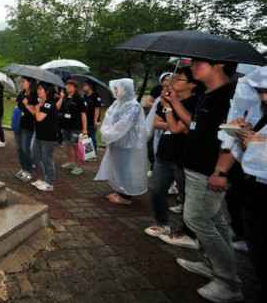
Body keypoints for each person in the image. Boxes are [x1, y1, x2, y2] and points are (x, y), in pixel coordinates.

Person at [173, 59, 242, 302]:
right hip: (195, 167)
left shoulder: (229, 97)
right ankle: (212, 264)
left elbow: (233, 138)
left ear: (220, 64)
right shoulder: (207, 93)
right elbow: (193, 126)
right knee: (215, 219)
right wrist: (172, 100)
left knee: (196, 218)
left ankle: (229, 282)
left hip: (208, 171)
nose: (191, 67)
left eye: (198, 62)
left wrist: (220, 172)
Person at [144, 68, 200, 249]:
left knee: (186, 197)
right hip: (164, 152)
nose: (172, 81)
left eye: (179, 79)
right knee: (158, 190)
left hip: (183, 156)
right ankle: (162, 223)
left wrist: (169, 109)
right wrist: (174, 119)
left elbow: (179, 128)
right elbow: (157, 123)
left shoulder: (195, 102)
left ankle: (188, 232)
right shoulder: (165, 100)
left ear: (192, 84)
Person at [225, 66, 267, 301]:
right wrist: (245, 137)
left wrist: (256, 144)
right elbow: (252, 152)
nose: (263, 97)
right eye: (261, 91)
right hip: (254, 192)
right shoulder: (262, 114)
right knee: (259, 261)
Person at [95, 78, 149, 205]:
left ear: (127, 89)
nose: (116, 91)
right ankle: (119, 190)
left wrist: (108, 133)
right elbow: (109, 119)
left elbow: (124, 124)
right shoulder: (118, 103)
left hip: (127, 143)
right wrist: (107, 132)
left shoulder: (133, 105)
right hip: (117, 141)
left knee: (125, 168)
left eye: (118, 88)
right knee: (116, 167)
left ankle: (126, 196)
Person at [30, 82, 59, 192]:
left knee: (47, 159)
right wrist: (33, 107)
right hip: (39, 134)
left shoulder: (49, 104)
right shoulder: (43, 102)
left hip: (48, 137)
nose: (38, 91)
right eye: (38, 89)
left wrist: (37, 108)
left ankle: (49, 183)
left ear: (47, 91)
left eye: (40, 89)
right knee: (34, 156)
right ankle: (42, 178)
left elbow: (39, 118)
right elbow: (36, 114)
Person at [57, 79, 88, 175]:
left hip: (76, 127)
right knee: (69, 144)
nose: (67, 87)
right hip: (66, 126)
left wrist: (84, 128)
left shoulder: (79, 99)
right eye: (67, 85)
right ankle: (71, 162)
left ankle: (78, 167)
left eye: (70, 86)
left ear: (75, 88)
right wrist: (61, 97)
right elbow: (58, 108)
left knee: (76, 146)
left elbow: (83, 114)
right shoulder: (65, 98)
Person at [15, 77, 37, 181]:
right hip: (19, 123)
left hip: (28, 125)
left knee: (25, 149)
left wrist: (27, 105)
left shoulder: (35, 95)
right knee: (19, 148)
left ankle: (29, 171)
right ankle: (23, 168)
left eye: (23, 81)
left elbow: (35, 112)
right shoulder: (21, 94)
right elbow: (18, 105)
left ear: (30, 83)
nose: (21, 83)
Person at [82, 80, 102, 159]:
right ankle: (89, 154)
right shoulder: (85, 96)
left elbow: (97, 108)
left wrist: (95, 120)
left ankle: (94, 155)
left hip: (93, 119)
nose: (83, 86)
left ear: (90, 86)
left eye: (85, 84)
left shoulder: (96, 96)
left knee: (92, 136)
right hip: (86, 119)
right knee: (86, 137)